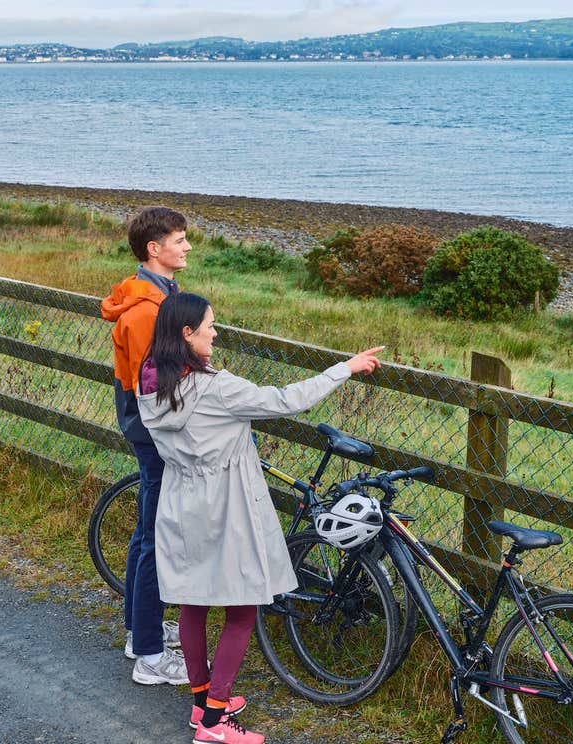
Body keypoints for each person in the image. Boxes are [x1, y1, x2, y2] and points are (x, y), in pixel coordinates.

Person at [137, 292, 383, 744]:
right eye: (209, 325)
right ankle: (214, 723)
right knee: (242, 608)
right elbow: (287, 400)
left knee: (193, 604)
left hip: (180, 503)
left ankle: (200, 703)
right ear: (187, 334)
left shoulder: (151, 384)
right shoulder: (216, 388)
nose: (216, 332)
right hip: (225, 510)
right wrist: (343, 369)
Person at [100, 206, 192, 685]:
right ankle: (151, 657)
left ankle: (142, 630)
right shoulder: (142, 313)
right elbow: (149, 389)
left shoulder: (162, 296)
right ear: (154, 249)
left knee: (147, 529)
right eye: (180, 240)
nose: (187, 247)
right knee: (156, 536)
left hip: (149, 426)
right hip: (153, 431)